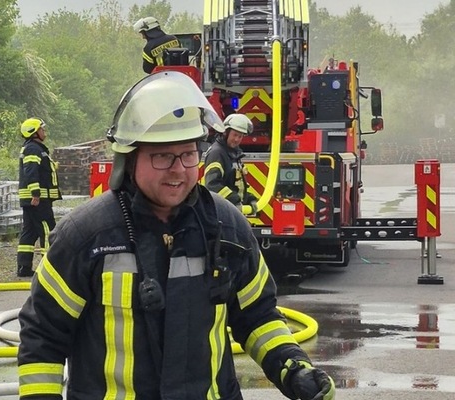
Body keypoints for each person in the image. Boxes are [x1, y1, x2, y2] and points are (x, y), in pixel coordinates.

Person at [17, 71, 334, 400]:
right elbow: (44, 335)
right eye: (163, 156)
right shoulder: (86, 237)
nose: (179, 169)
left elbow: (259, 316)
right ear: (129, 158)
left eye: (188, 154)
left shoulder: (228, 228)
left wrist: (294, 369)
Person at [17, 117, 62, 277]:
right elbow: (31, 172)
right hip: (38, 200)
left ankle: (24, 268)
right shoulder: (33, 149)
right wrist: (35, 194)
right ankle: (49, 269)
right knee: (48, 230)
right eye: (42, 129)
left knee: (29, 232)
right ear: (34, 132)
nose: (44, 132)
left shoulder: (34, 148)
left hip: (34, 199)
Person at [203, 113, 258, 210]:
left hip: (230, 209)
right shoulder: (217, 153)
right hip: (221, 211)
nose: (237, 139)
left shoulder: (233, 153)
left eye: (240, 136)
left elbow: (233, 185)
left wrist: (248, 198)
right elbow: (212, 185)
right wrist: (233, 200)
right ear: (226, 133)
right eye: (235, 135)